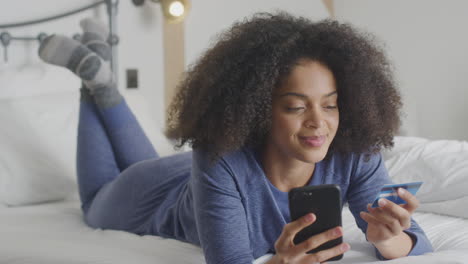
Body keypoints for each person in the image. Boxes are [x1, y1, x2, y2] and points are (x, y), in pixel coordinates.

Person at [38, 13, 433, 264]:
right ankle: (92, 79)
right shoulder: (219, 157)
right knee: (93, 202)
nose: (319, 123)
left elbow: (418, 244)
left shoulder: (353, 153)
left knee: (139, 163)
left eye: (330, 105)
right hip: (154, 196)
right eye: (296, 107)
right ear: (259, 109)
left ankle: (97, 69)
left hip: (190, 176)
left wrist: (390, 239)